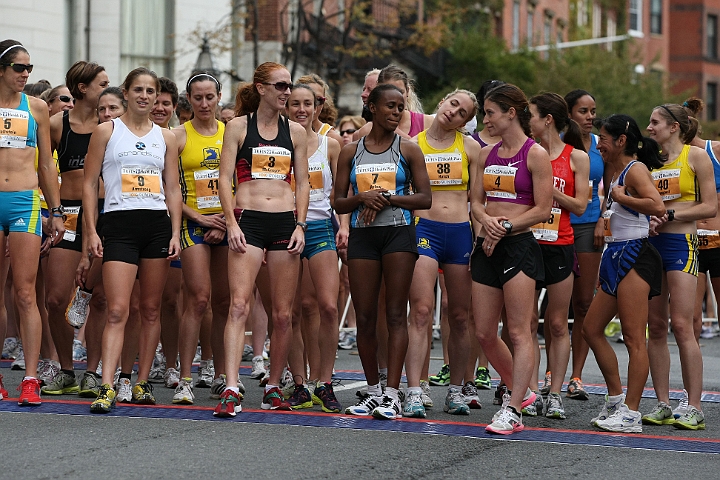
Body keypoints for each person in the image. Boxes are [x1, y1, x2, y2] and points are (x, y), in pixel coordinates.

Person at [84, 67, 182, 413]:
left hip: (156, 225)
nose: (144, 96)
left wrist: (174, 232)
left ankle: (139, 382)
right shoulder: (106, 131)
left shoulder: (166, 137)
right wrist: (93, 231)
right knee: (117, 309)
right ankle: (108, 385)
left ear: (157, 97)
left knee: (150, 308)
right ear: (125, 92)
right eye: (137, 89)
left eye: (150, 91)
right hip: (119, 225)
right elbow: (88, 183)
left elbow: (172, 187)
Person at [213, 62, 309, 417]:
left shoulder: (295, 131)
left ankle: (273, 385)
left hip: (284, 222)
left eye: (289, 86)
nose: (287, 92)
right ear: (262, 88)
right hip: (247, 220)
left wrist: (300, 224)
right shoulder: (238, 126)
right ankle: (232, 387)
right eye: (281, 86)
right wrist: (231, 222)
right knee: (239, 305)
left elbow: (303, 182)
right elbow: (224, 179)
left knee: (283, 314)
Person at [335, 83, 432, 420]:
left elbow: (425, 198)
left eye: (400, 107)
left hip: (398, 234)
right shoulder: (351, 151)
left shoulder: (409, 149)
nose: (396, 112)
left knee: (394, 313)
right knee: (364, 317)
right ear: (372, 108)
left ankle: (394, 393)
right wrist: (362, 198)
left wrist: (387, 197)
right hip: (364, 236)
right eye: (389, 106)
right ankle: (374, 391)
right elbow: (337, 201)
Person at [470, 83, 552, 434]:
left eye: (489, 112)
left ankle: (514, 408)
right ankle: (526, 392)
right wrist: (485, 220)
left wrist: (503, 226)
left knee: (519, 331)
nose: (485, 119)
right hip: (487, 243)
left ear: (510, 113)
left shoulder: (535, 154)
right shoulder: (484, 153)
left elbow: (543, 210)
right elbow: (474, 201)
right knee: (485, 332)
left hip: (517, 244)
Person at [581, 114, 665, 433]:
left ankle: (631, 413)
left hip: (635, 254)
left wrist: (622, 198)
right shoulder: (614, 172)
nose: (598, 143)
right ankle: (616, 399)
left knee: (633, 337)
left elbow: (656, 206)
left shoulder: (636, 169)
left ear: (621, 141)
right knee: (591, 327)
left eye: (603, 138)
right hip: (615, 255)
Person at [404, 89, 481, 418]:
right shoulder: (411, 144)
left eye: (462, 112)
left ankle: (456, 389)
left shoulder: (471, 148)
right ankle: (415, 389)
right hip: (424, 231)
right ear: (442, 102)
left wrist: (480, 239)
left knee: (460, 317)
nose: (454, 112)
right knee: (420, 312)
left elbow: (477, 202)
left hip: (460, 233)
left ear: (466, 121)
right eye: (453, 104)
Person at [643, 104, 716, 430]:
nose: (649, 127)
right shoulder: (651, 162)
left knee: (683, 326)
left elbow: (710, 206)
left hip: (682, 245)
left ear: (674, 127)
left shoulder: (695, 156)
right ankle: (662, 402)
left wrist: (671, 216)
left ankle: (695, 406)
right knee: (655, 326)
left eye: (655, 122)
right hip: (652, 246)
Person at [0, 39, 64, 405]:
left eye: (29, 69)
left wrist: (54, 211)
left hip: (25, 200)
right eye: (18, 68)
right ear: (2, 70)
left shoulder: (37, 108)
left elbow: (45, 164)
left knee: (26, 293)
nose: (25, 74)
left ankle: (31, 377)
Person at [43, 61, 108, 398]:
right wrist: (51, 210)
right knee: (55, 298)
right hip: (67, 216)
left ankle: (93, 372)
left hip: (100, 216)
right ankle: (66, 369)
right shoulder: (57, 125)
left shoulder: (110, 126)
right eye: (102, 83)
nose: (106, 90)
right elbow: (41, 165)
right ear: (83, 88)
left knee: (97, 299)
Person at [527, 92, 590, 419]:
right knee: (525, 323)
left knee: (556, 323)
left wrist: (548, 189)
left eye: (532, 116)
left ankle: (554, 394)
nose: (528, 122)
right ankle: (531, 390)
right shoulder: (526, 152)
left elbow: (580, 205)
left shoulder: (575, 157)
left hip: (561, 243)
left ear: (547, 119)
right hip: (528, 243)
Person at [284, 83, 345, 412]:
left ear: (317, 107)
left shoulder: (329, 146)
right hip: (285, 228)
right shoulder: (278, 145)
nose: (302, 109)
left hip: (320, 226)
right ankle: (299, 383)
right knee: (295, 309)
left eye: (308, 104)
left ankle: (325, 382)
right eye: (295, 104)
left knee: (328, 306)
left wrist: (345, 228)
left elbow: (339, 197)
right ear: (286, 107)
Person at [172, 72, 232, 405]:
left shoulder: (231, 132)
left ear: (219, 96)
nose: (205, 104)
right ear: (189, 99)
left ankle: (222, 375)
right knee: (198, 298)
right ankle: (185, 378)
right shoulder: (178, 136)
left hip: (227, 222)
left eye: (210, 97)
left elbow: (239, 182)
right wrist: (198, 218)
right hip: (193, 222)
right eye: (198, 98)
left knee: (225, 302)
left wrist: (224, 222)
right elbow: (170, 190)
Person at [564, 89, 603, 401]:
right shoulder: (556, 143)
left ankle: (576, 376)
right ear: (568, 114)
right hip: (557, 226)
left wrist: (604, 219)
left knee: (584, 304)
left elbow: (614, 186)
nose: (590, 117)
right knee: (555, 304)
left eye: (592, 111)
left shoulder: (600, 145)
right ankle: (551, 371)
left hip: (590, 226)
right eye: (583, 111)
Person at [683, 97, 720, 343]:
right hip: (689, 241)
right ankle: (693, 382)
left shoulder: (715, 150)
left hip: (718, 241)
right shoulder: (671, 159)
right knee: (690, 319)